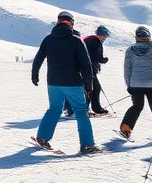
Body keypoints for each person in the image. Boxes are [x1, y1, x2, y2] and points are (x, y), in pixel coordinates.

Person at [31, 11, 101, 154]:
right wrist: (89, 84)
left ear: (58, 22)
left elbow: (38, 57)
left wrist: (34, 74)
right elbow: (86, 64)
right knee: (81, 112)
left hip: (53, 82)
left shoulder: (48, 39)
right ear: (71, 23)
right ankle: (87, 144)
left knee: (54, 109)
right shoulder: (76, 40)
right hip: (72, 82)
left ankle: (43, 136)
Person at [120, 26, 152, 141]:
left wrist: (129, 85)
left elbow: (127, 69)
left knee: (137, 106)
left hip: (136, 84)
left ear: (136, 37)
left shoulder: (130, 50)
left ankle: (126, 128)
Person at [84, 25, 111, 115]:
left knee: (87, 88)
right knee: (95, 88)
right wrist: (105, 60)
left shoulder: (87, 40)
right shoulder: (96, 42)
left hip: (82, 69)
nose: (105, 38)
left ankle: (84, 108)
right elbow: (98, 57)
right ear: (99, 34)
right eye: (104, 36)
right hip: (90, 69)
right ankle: (96, 109)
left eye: (106, 36)